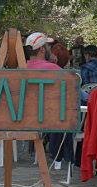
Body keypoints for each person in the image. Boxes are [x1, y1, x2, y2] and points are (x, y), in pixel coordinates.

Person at [24, 32, 73, 168]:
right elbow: (74, 91)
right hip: (52, 117)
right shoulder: (53, 69)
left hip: (28, 117)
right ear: (42, 49)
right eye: (48, 47)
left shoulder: (23, 68)